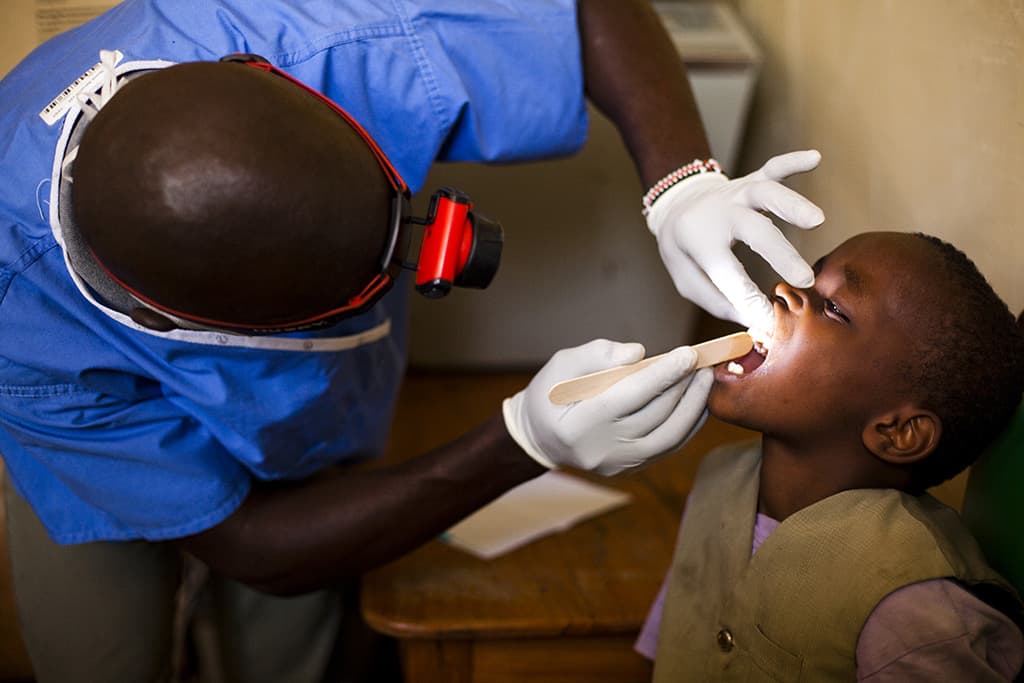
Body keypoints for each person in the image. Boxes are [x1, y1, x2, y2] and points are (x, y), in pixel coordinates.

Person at [0, 1, 825, 681]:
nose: (419, 258)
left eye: (403, 218)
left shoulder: (325, 34)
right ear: (211, 335)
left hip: (306, 449)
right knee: (105, 653)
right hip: (89, 432)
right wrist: (522, 440)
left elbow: (587, 12)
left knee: (288, 643)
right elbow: (249, 543)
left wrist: (682, 185)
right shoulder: (27, 335)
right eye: (364, 283)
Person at [635, 231, 1024, 681]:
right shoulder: (717, 480)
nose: (785, 291)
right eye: (812, 279)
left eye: (835, 309)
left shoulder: (914, 609)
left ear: (898, 431)